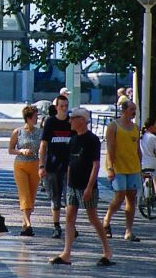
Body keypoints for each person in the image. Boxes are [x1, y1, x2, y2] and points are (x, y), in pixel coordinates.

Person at [49, 107, 114, 267]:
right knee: (69, 218)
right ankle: (66, 253)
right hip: (72, 185)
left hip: (87, 186)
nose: (70, 121)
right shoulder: (73, 139)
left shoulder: (92, 140)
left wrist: (89, 187)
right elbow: (71, 163)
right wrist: (69, 183)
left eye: (73, 118)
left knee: (93, 218)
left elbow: (96, 165)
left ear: (82, 120)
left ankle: (107, 251)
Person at [102, 100, 142, 242]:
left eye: (135, 109)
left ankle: (129, 231)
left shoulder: (136, 128)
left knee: (132, 197)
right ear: (124, 110)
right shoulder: (114, 126)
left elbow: (138, 149)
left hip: (133, 168)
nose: (134, 112)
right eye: (132, 109)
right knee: (119, 196)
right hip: (118, 167)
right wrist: (110, 168)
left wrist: (140, 168)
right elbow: (110, 148)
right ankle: (106, 220)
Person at [39, 93, 73, 239]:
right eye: (61, 106)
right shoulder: (50, 122)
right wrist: (41, 165)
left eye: (66, 106)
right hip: (53, 166)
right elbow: (43, 144)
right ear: (56, 107)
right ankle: (56, 225)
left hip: (69, 166)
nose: (64, 109)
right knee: (55, 198)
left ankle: (71, 226)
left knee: (70, 198)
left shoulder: (71, 122)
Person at [9, 105, 42, 236]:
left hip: (34, 164)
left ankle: (25, 226)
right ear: (28, 118)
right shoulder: (18, 132)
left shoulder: (39, 132)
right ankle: (28, 222)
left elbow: (43, 148)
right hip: (20, 164)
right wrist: (21, 150)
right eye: (35, 116)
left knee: (31, 195)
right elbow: (10, 149)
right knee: (24, 194)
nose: (37, 119)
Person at [140, 117, 156, 197]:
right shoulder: (154, 138)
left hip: (142, 162)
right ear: (151, 127)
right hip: (152, 162)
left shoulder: (141, 137)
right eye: (155, 126)